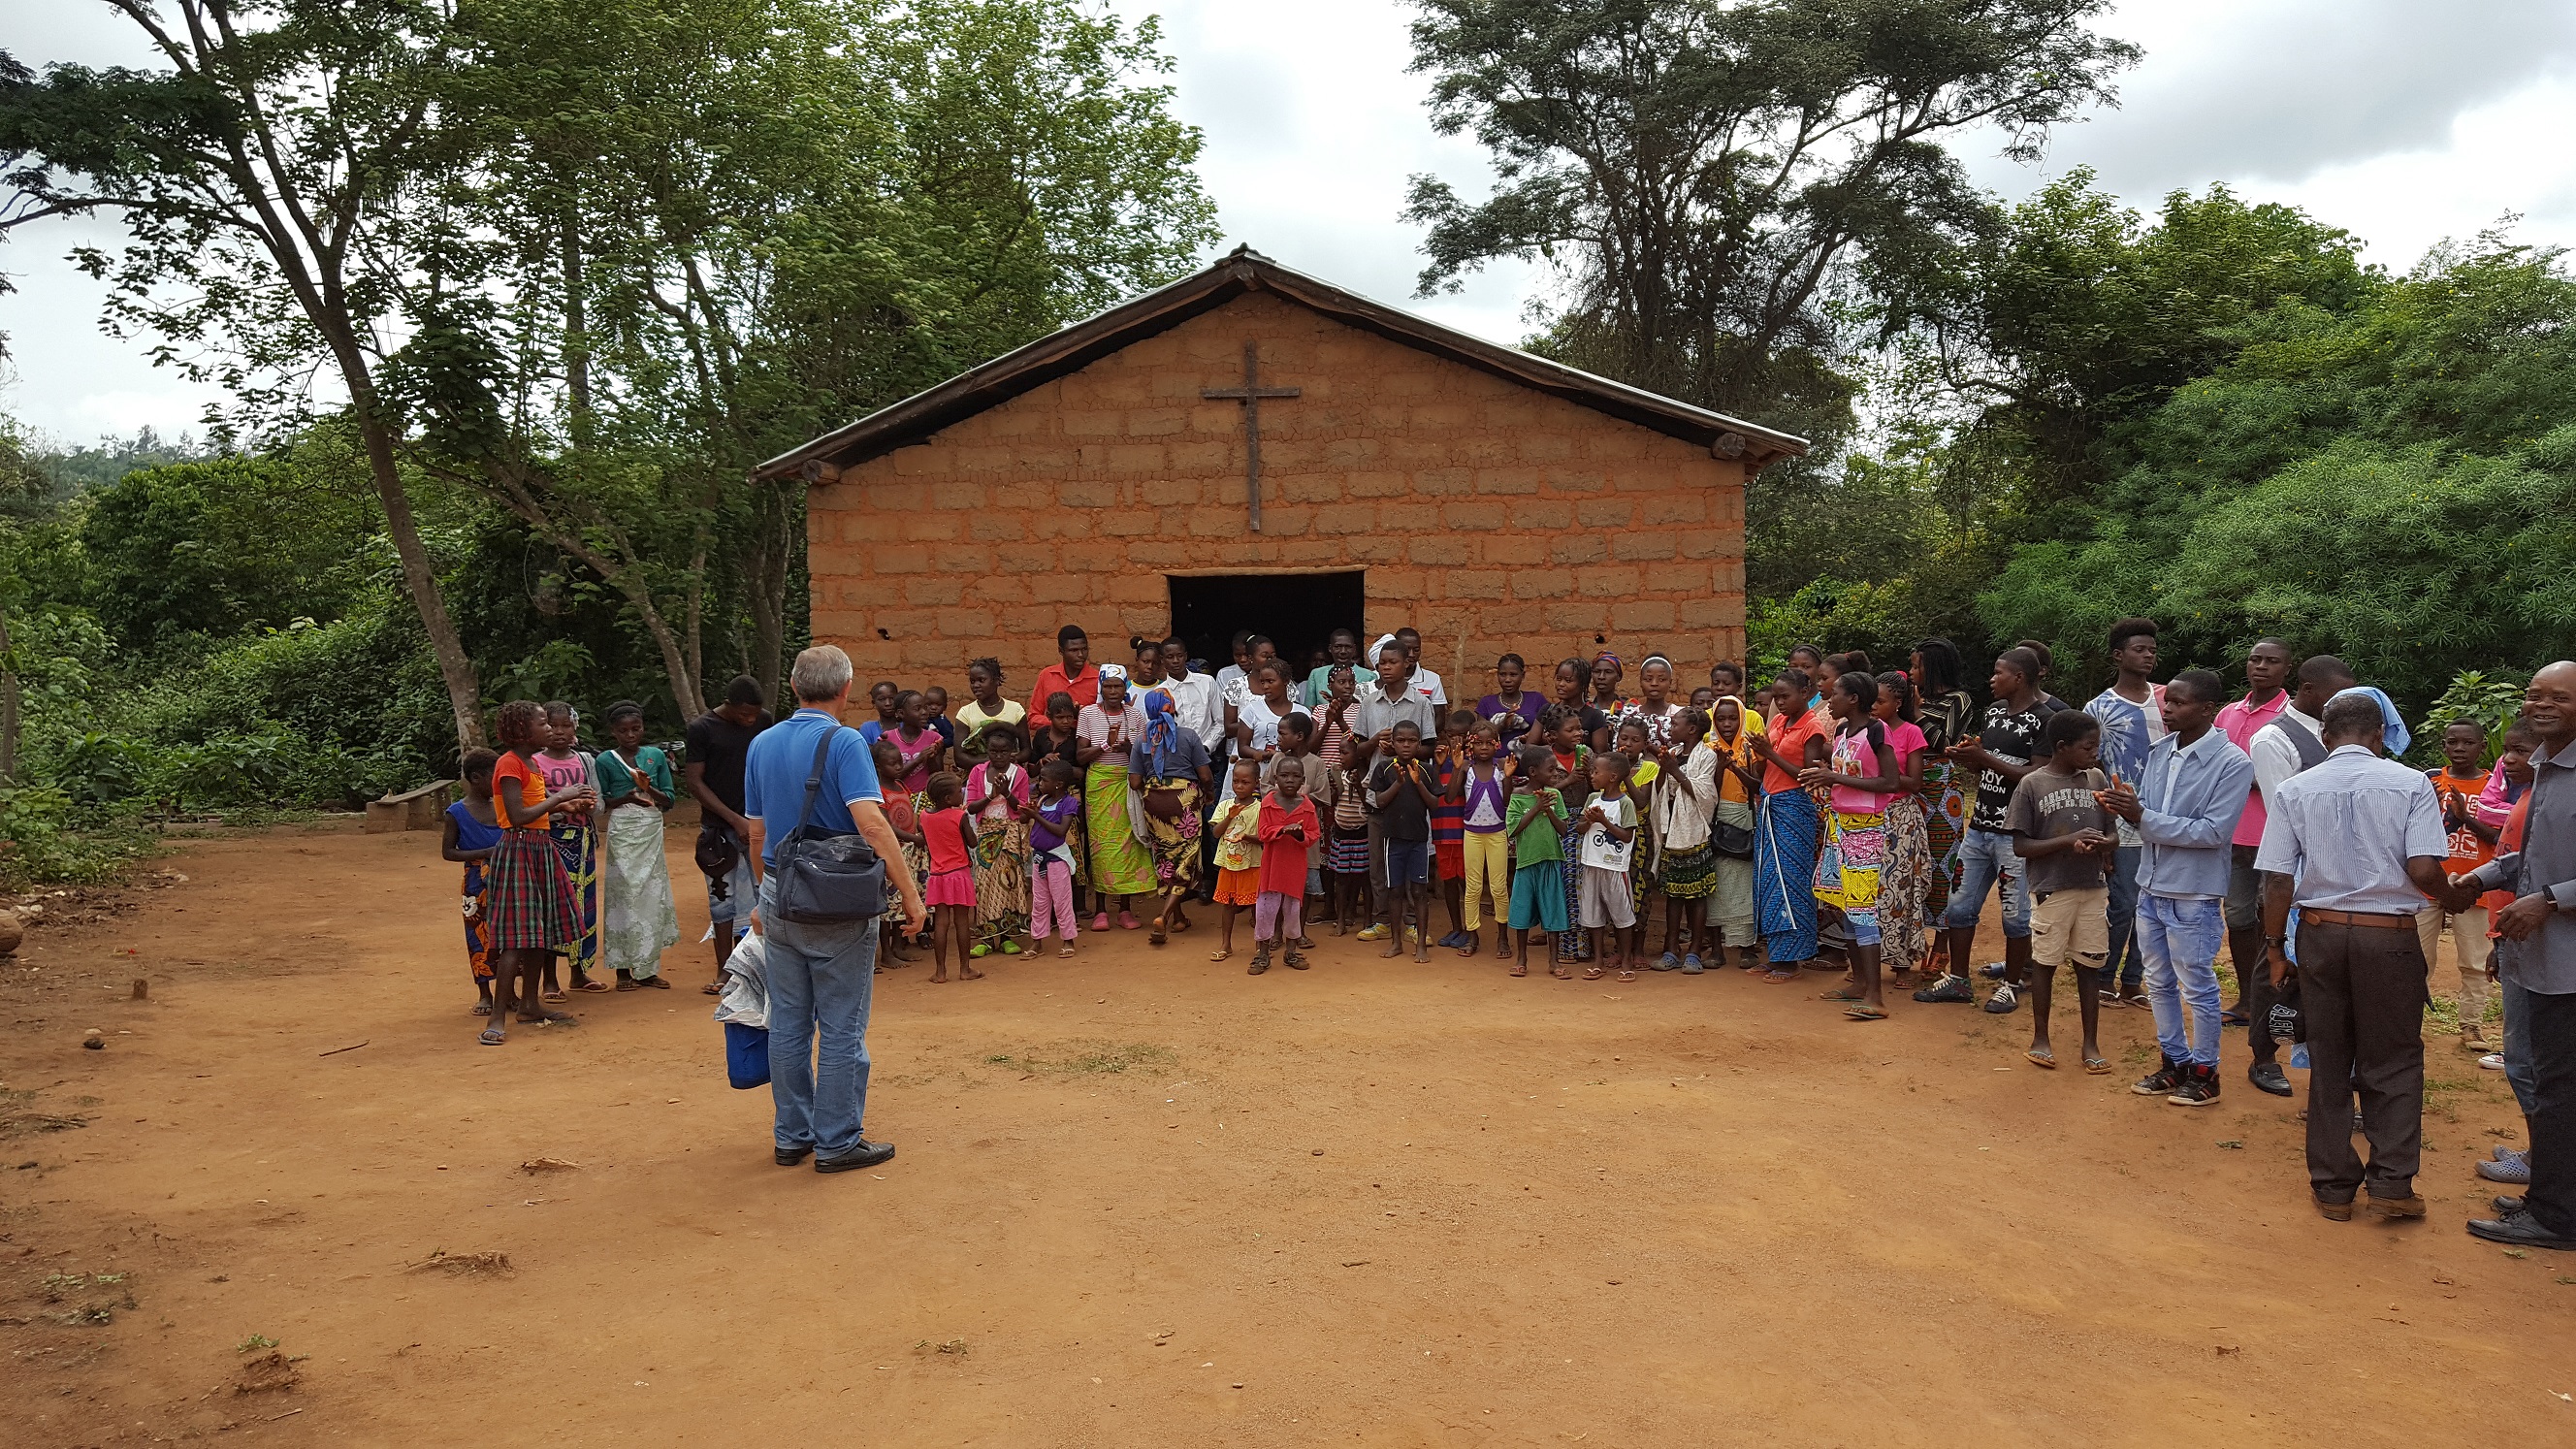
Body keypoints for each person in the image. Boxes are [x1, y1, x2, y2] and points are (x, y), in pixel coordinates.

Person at [2253, 692, 2459, 1220]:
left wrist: (2276, 949)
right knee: (2393, 1058)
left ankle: (2333, 1187)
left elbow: (2277, 879)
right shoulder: (2413, 784)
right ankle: (2391, 1186)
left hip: (2319, 934)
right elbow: (2423, 870)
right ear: (2379, 737)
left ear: (2325, 738)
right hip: (2387, 936)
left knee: (2328, 1055)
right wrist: (2458, 898)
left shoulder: (2296, 790)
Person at [742, 644, 922, 1173]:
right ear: (846, 690)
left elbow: (757, 832)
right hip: (835, 900)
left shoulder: (762, 744)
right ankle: (838, 1140)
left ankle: (791, 1135)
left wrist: (763, 896)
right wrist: (909, 894)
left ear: (795, 688)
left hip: (780, 891)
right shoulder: (844, 742)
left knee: (790, 1023)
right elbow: (870, 823)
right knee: (842, 1025)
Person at [2458, 662, 2576, 1250]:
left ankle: (2556, 1218)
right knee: (2550, 1084)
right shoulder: (2546, 769)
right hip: (2538, 958)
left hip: (2569, 967)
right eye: (2535, 695)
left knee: (2561, 1089)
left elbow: (2547, 883)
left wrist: (2552, 901)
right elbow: (2523, 859)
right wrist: (2474, 882)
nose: (2542, 705)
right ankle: (2547, 1198)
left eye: (2560, 697)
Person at [2102, 668, 2255, 1108]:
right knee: (2159, 981)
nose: (2167, 710)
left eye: (2179, 703)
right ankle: (2174, 1062)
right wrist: (2129, 808)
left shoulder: (2233, 763)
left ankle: (2207, 1072)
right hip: (2151, 883)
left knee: (2198, 984)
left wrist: (2141, 817)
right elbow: (2146, 810)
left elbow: (2212, 832)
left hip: (2194, 893)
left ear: (2208, 710)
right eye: (2167, 702)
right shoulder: (2161, 750)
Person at [2239, 653, 2360, 1094]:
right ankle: (2263, 1056)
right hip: (2289, 866)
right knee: (2273, 961)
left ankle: (2326, 1057)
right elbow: (2281, 812)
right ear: (2308, 690)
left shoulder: (2339, 735)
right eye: (2334, 695)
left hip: (2335, 870)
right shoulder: (2274, 738)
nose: (2340, 703)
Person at [1920, 648, 2049, 1012]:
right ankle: (1958, 981)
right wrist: (1971, 758)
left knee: (2015, 914)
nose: (1992, 679)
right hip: (1980, 827)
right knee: (1959, 906)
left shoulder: (2045, 719)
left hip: (2017, 833)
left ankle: (2011, 984)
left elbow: (2039, 777)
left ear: (2019, 678)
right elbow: (1987, 769)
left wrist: (1983, 758)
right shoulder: (1993, 712)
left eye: (1999, 673)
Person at [2010, 710, 2116, 1074]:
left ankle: (2091, 1043)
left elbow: (2114, 834)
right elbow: (2021, 846)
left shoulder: (2097, 778)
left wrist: (2102, 845)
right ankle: (2041, 1037)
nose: (2094, 754)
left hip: (2092, 888)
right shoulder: (2033, 785)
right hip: (2052, 889)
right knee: (2046, 962)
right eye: (2088, 748)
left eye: (2096, 747)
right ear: (2061, 747)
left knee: (2090, 964)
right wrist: (2068, 841)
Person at [482, 700, 592, 1045]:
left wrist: (563, 806)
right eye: (542, 723)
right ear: (521, 730)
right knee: (516, 937)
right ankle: (498, 1018)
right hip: (519, 849)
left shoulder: (529, 763)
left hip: (539, 847)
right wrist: (564, 796)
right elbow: (516, 816)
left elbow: (536, 811)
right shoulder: (509, 763)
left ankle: (530, 1004)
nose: (549, 728)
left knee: (539, 934)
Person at [1801, 672, 1901, 1019]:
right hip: (1840, 825)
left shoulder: (1877, 731)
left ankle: (1876, 996)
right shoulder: (1843, 732)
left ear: (1855, 698)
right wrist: (1823, 774)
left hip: (1866, 829)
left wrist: (1834, 777)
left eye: (1837, 694)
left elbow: (1889, 781)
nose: (1830, 699)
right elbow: (1849, 775)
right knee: (1845, 903)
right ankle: (1859, 982)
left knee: (1862, 907)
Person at [2084, 620, 2166, 1009]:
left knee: (2155, 904)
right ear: (2119, 655)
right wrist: (2100, 827)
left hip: (2166, 817)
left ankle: (2133, 981)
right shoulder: (2099, 709)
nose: (2148, 655)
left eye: (2152, 649)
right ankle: (2103, 976)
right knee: (2124, 902)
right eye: (2139, 649)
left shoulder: (2169, 699)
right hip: (2119, 819)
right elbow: (2091, 771)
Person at [2215, 638, 2295, 1030]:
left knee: (2272, 918)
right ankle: (2248, 997)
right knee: (2238, 916)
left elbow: (2288, 779)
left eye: (2271, 661)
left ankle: (2273, 998)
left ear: (2287, 669)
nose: (2260, 666)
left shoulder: (2292, 716)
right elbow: (2215, 765)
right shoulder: (2229, 713)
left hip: (2275, 835)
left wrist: (2245, 776)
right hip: (2232, 834)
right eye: (2254, 659)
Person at [687, 677, 773, 990]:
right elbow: (695, 782)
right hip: (719, 830)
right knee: (722, 900)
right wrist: (735, 820)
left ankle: (763, 965)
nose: (750, 720)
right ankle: (725, 970)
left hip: (759, 825)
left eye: (755, 715)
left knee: (765, 893)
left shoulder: (763, 722)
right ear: (730, 705)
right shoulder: (702, 728)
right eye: (744, 714)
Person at [1747, 668, 1831, 983]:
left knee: (1791, 882)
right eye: (1776, 697)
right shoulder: (1779, 722)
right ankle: (1778, 955)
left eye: (1786, 696)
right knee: (1769, 880)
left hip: (1794, 808)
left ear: (1805, 692)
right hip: (1770, 805)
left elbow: (1807, 775)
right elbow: (1766, 766)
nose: (1779, 703)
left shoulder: (1812, 727)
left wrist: (1769, 753)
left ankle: (1793, 959)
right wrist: (1760, 754)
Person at [1351, 646, 1440, 943]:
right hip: (1381, 790)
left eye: (1393, 662)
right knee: (1379, 861)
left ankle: (1412, 922)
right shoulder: (1368, 703)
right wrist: (1377, 743)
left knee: (1413, 860)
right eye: (1382, 663)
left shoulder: (1420, 703)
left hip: (1412, 792)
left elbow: (1429, 746)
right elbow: (1357, 750)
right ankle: (1383, 920)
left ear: (1407, 664)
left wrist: (1405, 750)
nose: (1386, 667)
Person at [2423, 719, 2500, 1052]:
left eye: (2467, 743)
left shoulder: (2495, 787)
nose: (2458, 749)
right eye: (2452, 742)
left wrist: (2465, 817)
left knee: (2474, 960)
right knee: (2417, 958)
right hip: (2428, 881)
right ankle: (2409, 1023)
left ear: (2482, 748)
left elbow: (2500, 838)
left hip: (2476, 884)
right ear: (2444, 746)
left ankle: (2471, 1025)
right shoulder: (2429, 782)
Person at [596, 700, 680, 990]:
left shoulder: (655, 756)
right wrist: (629, 797)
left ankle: (647, 969)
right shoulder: (605, 761)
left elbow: (668, 799)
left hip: (650, 829)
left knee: (651, 897)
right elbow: (602, 803)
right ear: (614, 732)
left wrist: (647, 789)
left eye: (636, 729)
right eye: (623, 731)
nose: (630, 735)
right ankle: (622, 971)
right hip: (623, 831)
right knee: (623, 896)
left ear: (643, 728)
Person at [1911, 640, 1977, 979]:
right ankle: (1910, 941)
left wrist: (1919, 713)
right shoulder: (1910, 697)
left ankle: (1941, 946)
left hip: (1940, 792)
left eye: (1916, 666)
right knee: (1911, 867)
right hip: (1909, 786)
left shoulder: (1958, 700)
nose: (1911, 672)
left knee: (1943, 867)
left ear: (1933, 667)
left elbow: (1946, 742)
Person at [1132, 689, 1214, 945]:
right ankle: (1164, 917)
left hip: (1154, 801)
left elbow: (1135, 781)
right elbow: (1206, 776)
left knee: (1166, 856)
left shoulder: (1141, 739)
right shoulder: (1188, 736)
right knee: (1185, 859)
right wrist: (1208, 794)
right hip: (1184, 801)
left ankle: (1179, 918)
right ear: (1173, 708)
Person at [1076, 664, 1153, 930]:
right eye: (1107, 686)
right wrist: (1106, 745)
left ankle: (1125, 909)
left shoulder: (1136, 716)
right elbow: (1080, 756)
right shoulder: (1087, 714)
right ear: (1101, 687)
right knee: (1101, 845)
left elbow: (1145, 754)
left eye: (1117, 686)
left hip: (1128, 782)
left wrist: (1128, 746)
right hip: (1100, 784)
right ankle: (1100, 910)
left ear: (1125, 688)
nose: (1112, 691)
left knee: (1130, 842)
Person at [1870, 672, 1934, 987]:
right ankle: (1865, 962)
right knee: (1869, 890)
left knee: (1902, 892)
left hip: (1901, 819)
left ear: (1897, 703)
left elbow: (1916, 782)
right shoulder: (1866, 732)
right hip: (1870, 817)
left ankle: (1902, 965)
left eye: (1880, 701)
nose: (1874, 706)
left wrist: (1885, 775)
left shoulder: (1911, 733)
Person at [1653, 706, 1720, 972]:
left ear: (1691, 729)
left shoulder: (1707, 756)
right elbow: (1660, 791)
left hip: (1694, 833)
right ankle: (1671, 948)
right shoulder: (1674, 754)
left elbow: (1705, 794)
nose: (1671, 727)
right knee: (1673, 894)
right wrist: (1663, 767)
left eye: (1675, 723)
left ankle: (1694, 951)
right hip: (1672, 831)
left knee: (1697, 894)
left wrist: (1674, 770)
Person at [1370, 720, 1439, 962]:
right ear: (1393, 743)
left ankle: (1421, 943)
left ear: (1419, 743)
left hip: (1419, 840)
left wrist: (1417, 782)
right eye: (1400, 740)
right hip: (1393, 840)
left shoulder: (1427, 770)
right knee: (1395, 891)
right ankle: (1396, 942)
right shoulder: (1384, 769)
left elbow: (1434, 804)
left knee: (1420, 892)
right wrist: (1399, 783)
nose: (1406, 745)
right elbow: (1379, 802)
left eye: (1411, 741)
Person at [441, 748, 503, 1017]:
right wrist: (483, 853)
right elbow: (448, 852)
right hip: (476, 883)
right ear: (476, 778)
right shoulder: (456, 813)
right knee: (478, 936)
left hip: (508, 876)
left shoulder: (504, 805)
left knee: (508, 933)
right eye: (495, 777)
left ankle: (507, 992)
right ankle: (485, 993)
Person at [963, 724, 1033, 959]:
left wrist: (1007, 794)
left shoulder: (1019, 774)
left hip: (1010, 833)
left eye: (1004, 752)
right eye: (994, 751)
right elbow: (971, 806)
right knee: (983, 885)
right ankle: (985, 938)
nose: (999, 756)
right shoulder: (977, 773)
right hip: (985, 833)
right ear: (987, 751)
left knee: (1009, 883)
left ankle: (1006, 937)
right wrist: (990, 796)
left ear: (1012, 751)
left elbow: (1022, 811)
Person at [1705, 695, 1763, 970]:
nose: (1727, 724)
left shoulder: (1752, 749)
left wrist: (1733, 767)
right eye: (1721, 719)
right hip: (1717, 818)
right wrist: (1718, 764)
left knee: (1744, 885)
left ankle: (1746, 947)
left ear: (1742, 719)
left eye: (1733, 718)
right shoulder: (1707, 747)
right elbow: (1708, 791)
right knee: (1714, 885)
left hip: (1743, 817)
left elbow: (1757, 786)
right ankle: (1716, 949)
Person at [1506, 748, 1573, 978]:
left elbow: (1564, 830)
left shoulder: (1556, 795)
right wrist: (1536, 808)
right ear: (1533, 772)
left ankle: (1553, 961)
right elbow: (1513, 829)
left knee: (1552, 911)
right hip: (1526, 863)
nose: (1556, 773)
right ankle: (1521, 958)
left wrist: (1549, 810)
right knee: (1522, 911)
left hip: (1551, 860)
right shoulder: (1517, 796)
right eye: (1551, 769)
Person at [1253, 757, 1322, 974]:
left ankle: (1291, 952)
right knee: (1265, 910)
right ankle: (1262, 955)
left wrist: (1300, 834)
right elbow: (1263, 832)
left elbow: (1313, 834)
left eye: (1295, 776)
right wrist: (1282, 830)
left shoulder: (1307, 806)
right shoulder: (1268, 803)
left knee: (1293, 911)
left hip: (1294, 869)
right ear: (1275, 778)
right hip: (1272, 869)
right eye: (1284, 775)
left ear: (1303, 779)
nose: (1289, 780)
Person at [1576, 752, 1641, 982]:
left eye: (1596, 772)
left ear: (1612, 776)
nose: (1591, 775)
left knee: (1622, 916)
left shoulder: (1625, 804)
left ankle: (1626, 960)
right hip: (1591, 863)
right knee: (1593, 916)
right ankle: (1598, 961)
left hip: (1615, 867)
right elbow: (1580, 828)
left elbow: (1626, 836)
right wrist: (1589, 821)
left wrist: (1603, 821)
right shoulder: (1593, 798)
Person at [1453, 721, 1514, 960]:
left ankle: (1503, 937)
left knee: (1499, 887)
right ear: (1471, 745)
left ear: (1497, 744)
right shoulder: (1466, 768)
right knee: (1473, 888)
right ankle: (1473, 935)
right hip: (1472, 835)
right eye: (1479, 743)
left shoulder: (1502, 766)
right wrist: (1457, 769)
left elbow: (1507, 801)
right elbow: (1450, 796)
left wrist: (1508, 777)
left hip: (1497, 833)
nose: (1485, 747)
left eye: (1490, 742)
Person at [917, 772, 981, 983]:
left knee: (941, 923)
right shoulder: (958, 816)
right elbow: (972, 843)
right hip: (959, 873)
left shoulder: (924, 816)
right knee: (962, 922)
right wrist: (964, 820)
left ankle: (941, 972)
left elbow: (925, 839)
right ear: (948, 799)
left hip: (938, 875)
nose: (962, 793)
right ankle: (965, 969)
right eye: (958, 791)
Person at [1208, 758, 1266, 965]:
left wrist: (1246, 837)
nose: (1239, 786)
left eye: (1245, 782)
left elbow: (1264, 839)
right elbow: (1215, 833)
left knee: (1255, 906)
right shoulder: (1225, 806)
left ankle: (1260, 946)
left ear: (1256, 783)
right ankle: (1226, 944)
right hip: (1228, 864)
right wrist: (1229, 817)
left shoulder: (1260, 809)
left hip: (1252, 864)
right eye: (1236, 781)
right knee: (1228, 905)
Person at [1026, 758, 1083, 958]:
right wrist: (1028, 811)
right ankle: (1037, 941)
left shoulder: (1068, 803)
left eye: (1043, 780)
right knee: (1039, 902)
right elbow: (1026, 819)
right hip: (1039, 859)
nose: (1039, 783)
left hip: (1057, 859)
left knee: (1062, 901)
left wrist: (1036, 816)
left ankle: (1068, 940)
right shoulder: (1041, 801)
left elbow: (1060, 831)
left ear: (1058, 784)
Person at [1431, 709, 1475, 949]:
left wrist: (1458, 765)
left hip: (1465, 833)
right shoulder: (1442, 760)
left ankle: (1471, 928)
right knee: (1448, 880)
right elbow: (1435, 789)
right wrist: (1438, 767)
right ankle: (1456, 927)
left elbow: (1453, 794)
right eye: (1450, 735)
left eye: (1460, 736)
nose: (1454, 741)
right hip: (1442, 831)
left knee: (1465, 882)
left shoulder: (1471, 763)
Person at [953, 659, 1027, 768]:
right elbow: (959, 757)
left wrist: (1013, 759)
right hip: (977, 777)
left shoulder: (1015, 710)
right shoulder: (965, 713)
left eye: (981, 680)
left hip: (1010, 774)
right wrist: (992, 762)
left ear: (996, 681)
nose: (975, 685)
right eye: (972, 681)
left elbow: (1026, 751)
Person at [1028, 625, 1101, 717]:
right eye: (1074, 650)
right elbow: (1033, 717)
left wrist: (1080, 718)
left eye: (1084, 649)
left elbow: (1103, 718)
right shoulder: (1047, 675)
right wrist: (1058, 722)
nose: (1081, 655)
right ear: (1061, 651)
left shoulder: (1098, 679)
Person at [1550, 658, 1612, 754]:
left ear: (1583, 685)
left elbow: (1601, 756)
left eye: (1568, 680)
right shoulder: (1548, 710)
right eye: (1558, 679)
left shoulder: (1595, 716)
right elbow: (1531, 744)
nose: (1561, 684)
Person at [1478, 654, 1539, 751]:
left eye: (1513, 675)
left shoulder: (1536, 699)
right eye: (1502, 674)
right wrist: (1503, 725)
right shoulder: (1486, 703)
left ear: (1522, 675)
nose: (1507, 680)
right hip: (1495, 762)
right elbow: (1479, 738)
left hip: (1529, 761)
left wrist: (1531, 736)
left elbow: (1549, 730)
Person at [1300, 628, 1361, 709]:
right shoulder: (1316, 674)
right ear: (1330, 648)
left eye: (1348, 647)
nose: (1343, 651)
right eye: (1337, 647)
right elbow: (1309, 709)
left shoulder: (1369, 676)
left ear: (1354, 649)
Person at [1393, 627, 1446, 705]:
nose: (1412, 654)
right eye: (1407, 649)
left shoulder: (1432, 680)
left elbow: (1438, 715)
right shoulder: (1380, 678)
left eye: (1416, 650)